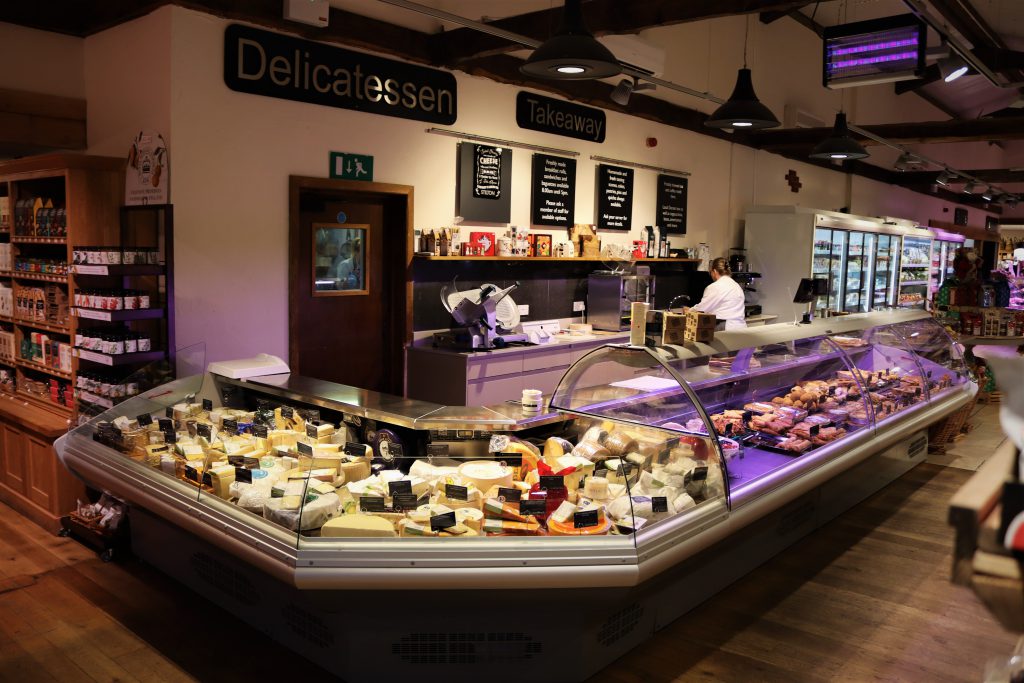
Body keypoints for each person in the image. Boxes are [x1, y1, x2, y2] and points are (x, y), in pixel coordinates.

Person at [687, 257, 746, 330]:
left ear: (714, 271)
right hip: (741, 327)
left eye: (710, 272)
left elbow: (702, 308)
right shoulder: (737, 286)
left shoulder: (715, 287)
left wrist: (689, 310)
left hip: (725, 328)